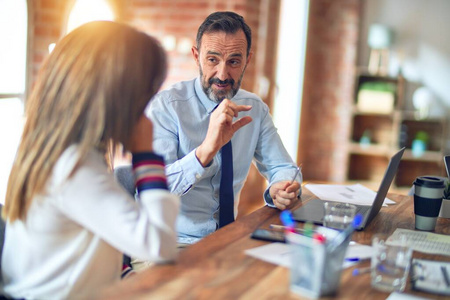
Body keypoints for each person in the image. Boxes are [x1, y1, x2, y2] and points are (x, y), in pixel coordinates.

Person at [1, 21, 179, 299]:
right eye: (144, 95)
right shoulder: (74, 168)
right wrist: (146, 155)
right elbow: (160, 245)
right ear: (117, 96)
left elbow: (89, 243)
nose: (145, 109)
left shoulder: (53, 149)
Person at [147, 11, 301, 245]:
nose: (222, 74)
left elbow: (284, 167)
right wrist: (205, 151)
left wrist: (280, 186)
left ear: (247, 60)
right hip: (171, 242)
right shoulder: (167, 108)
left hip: (229, 240)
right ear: (196, 56)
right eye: (212, 60)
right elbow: (153, 192)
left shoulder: (255, 109)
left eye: (234, 62)